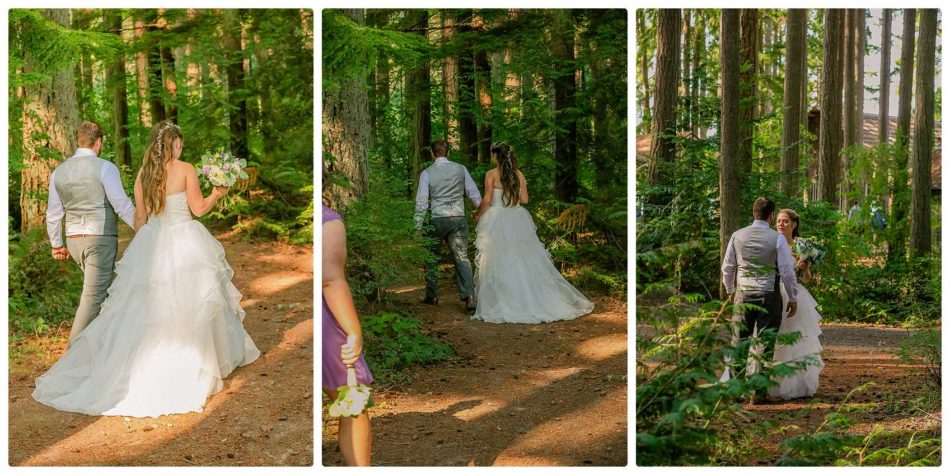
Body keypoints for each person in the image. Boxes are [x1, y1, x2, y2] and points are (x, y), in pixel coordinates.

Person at [33, 120, 260, 417]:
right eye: (179, 143)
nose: (182, 147)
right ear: (173, 143)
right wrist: (218, 193)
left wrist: (144, 246)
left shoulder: (143, 174)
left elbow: (140, 220)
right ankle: (191, 360)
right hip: (183, 237)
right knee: (191, 302)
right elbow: (199, 209)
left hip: (151, 238)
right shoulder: (186, 169)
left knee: (145, 306)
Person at [470, 142, 594, 323]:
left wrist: (477, 213)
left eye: (492, 154)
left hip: (497, 219)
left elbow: (488, 199)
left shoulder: (491, 174)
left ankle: (504, 300)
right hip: (517, 218)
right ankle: (529, 298)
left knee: (498, 260)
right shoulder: (519, 174)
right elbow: (525, 199)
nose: (491, 156)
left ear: (496, 156)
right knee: (521, 259)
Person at [46, 121, 136, 344]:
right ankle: (71, 360)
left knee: (106, 293)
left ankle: (101, 353)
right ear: (99, 142)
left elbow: (53, 213)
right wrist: (145, 228)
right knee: (93, 298)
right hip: (99, 241)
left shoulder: (58, 172)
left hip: (74, 242)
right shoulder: (105, 168)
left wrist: (57, 244)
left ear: (78, 141)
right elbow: (121, 205)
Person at [720, 197, 798, 402]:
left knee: (739, 341)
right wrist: (792, 296)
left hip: (743, 294)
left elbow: (728, 267)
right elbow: (787, 271)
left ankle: (735, 391)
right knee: (765, 342)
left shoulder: (737, 235)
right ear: (771, 216)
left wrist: (730, 290)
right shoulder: (777, 239)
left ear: (754, 213)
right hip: (768, 295)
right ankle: (758, 393)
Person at [323, 166, 373, 466]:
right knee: (350, 399)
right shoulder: (328, 220)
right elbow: (331, 281)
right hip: (327, 318)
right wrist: (354, 331)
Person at [414, 139, 482, 313]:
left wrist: (417, 224)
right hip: (458, 217)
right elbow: (473, 193)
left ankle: (432, 295)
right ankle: (470, 296)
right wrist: (480, 211)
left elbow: (422, 201)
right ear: (448, 152)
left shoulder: (427, 173)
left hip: (437, 218)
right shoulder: (461, 169)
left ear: (432, 153)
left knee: (431, 257)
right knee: (461, 257)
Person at [770, 208, 824, 400]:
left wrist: (805, 268)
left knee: (797, 338)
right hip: (775, 291)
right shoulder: (772, 241)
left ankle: (797, 384)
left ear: (794, 224)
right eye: (778, 221)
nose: (780, 224)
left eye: (784, 221)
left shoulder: (801, 246)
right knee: (777, 338)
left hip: (794, 294)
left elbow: (807, 279)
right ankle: (774, 383)